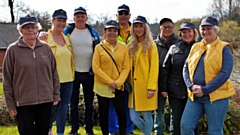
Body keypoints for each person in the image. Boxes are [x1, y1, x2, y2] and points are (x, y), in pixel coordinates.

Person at [2, 15, 60, 135]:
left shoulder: (46, 49)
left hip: (45, 100)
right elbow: (7, 79)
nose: (30, 30)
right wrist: (10, 104)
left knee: (43, 131)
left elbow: (54, 73)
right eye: (27, 28)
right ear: (21, 30)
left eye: (33, 27)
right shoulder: (13, 50)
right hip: (23, 102)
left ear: (37, 29)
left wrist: (55, 94)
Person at [181, 17, 235, 135]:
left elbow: (225, 73)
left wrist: (205, 89)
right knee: (185, 126)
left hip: (216, 97)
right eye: (203, 29)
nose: (205, 32)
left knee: (214, 131)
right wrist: (191, 86)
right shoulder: (196, 47)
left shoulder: (224, 48)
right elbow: (186, 68)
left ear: (215, 30)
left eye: (208, 28)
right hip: (195, 97)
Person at [63, 7, 100, 135]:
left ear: (86, 18)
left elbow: (98, 50)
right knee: (72, 103)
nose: (80, 18)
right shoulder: (68, 31)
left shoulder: (92, 32)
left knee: (89, 104)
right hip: (73, 73)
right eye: (77, 16)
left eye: (82, 16)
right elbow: (55, 37)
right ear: (74, 18)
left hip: (89, 73)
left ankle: (89, 129)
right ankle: (74, 129)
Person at [92, 20, 130, 135]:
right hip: (102, 86)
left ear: (118, 32)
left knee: (121, 113)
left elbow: (126, 67)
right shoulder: (99, 48)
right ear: (105, 32)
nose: (112, 33)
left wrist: (118, 82)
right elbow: (96, 67)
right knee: (104, 114)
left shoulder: (124, 47)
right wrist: (109, 81)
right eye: (109, 30)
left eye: (114, 30)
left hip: (119, 86)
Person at [41, 9, 74, 135]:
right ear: (52, 21)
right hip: (52, 81)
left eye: (64, 20)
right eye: (58, 20)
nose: (61, 23)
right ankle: (47, 130)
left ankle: (60, 133)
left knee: (63, 109)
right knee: (51, 109)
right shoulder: (44, 38)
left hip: (68, 79)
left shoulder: (66, 38)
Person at [161, 22, 199, 135]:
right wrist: (164, 88)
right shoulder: (174, 48)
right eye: (184, 32)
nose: (186, 34)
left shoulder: (200, 48)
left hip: (194, 91)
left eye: (189, 32)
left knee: (193, 121)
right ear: (180, 34)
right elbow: (165, 68)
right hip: (175, 90)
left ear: (194, 33)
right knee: (176, 119)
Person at [128, 15, 159, 135]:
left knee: (147, 115)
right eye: (136, 26)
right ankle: (147, 132)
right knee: (134, 117)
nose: (138, 29)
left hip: (146, 86)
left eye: (141, 26)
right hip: (133, 88)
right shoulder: (131, 45)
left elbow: (154, 68)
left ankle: (147, 133)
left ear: (145, 28)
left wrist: (151, 87)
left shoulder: (151, 45)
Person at [108, 4, 134, 135]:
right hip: (114, 73)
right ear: (116, 15)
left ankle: (128, 130)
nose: (123, 15)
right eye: (120, 13)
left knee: (128, 104)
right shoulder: (111, 30)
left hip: (131, 72)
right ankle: (113, 129)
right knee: (113, 104)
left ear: (129, 15)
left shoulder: (135, 30)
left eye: (125, 13)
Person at [154, 18, 180, 135]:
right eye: (165, 27)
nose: (167, 29)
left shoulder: (179, 43)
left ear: (173, 28)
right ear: (160, 29)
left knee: (174, 111)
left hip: (175, 82)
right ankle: (159, 131)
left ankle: (173, 131)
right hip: (158, 82)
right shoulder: (154, 44)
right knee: (158, 110)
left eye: (170, 27)